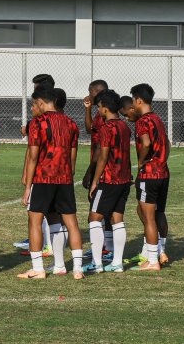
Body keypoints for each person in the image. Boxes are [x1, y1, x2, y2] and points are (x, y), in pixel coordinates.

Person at [19, 86, 83, 280]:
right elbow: (72, 160)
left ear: (41, 102)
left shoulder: (38, 123)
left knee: (35, 221)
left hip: (43, 178)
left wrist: (28, 186)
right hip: (64, 180)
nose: (32, 109)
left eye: (33, 105)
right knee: (70, 223)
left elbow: (33, 157)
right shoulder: (71, 124)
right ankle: (74, 268)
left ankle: (38, 268)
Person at [84, 90, 132, 274]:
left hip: (109, 179)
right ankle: (117, 263)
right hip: (124, 179)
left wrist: (95, 180)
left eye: (99, 106)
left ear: (104, 108)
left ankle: (96, 263)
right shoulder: (124, 126)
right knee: (117, 219)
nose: (99, 109)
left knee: (94, 218)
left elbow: (103, 156)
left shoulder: (106, 128)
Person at [15, 73, 57, 253]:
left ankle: (40, 249)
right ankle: (49, 250)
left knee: (37, 214)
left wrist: (27, 176)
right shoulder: (63, 119)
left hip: (43, 174)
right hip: (59, 174)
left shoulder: (41, 122)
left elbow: (34, 154)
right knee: (56, 216)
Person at [131, 83, 170, 272]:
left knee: (148, 218)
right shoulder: (158, 119)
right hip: (163, 172)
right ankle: (161, 251)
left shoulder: (142, 121)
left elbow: (145, 142)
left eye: (133, 100)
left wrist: (140, 161)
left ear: (138, 100)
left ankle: (153, 260)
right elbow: (167, 143)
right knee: (158, 213)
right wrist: (162, 161)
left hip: (150, 173)